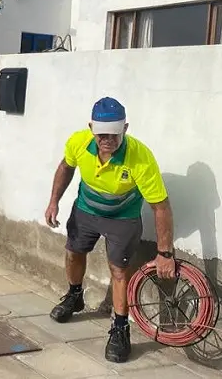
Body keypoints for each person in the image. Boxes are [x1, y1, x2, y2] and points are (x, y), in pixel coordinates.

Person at [44, 97, 175, 364]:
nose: (107, 140)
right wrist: (54, 201)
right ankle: (75, 295)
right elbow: (66, 167)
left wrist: (165, 253)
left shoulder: (140, 157)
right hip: (86, 210)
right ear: (91, 128)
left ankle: (120, 329)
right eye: (101, 133)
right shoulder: (79, 142)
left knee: (119, 271)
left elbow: (160, 207)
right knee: (73, 252)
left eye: (113, 134)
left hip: (122, 218)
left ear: (125, 128)